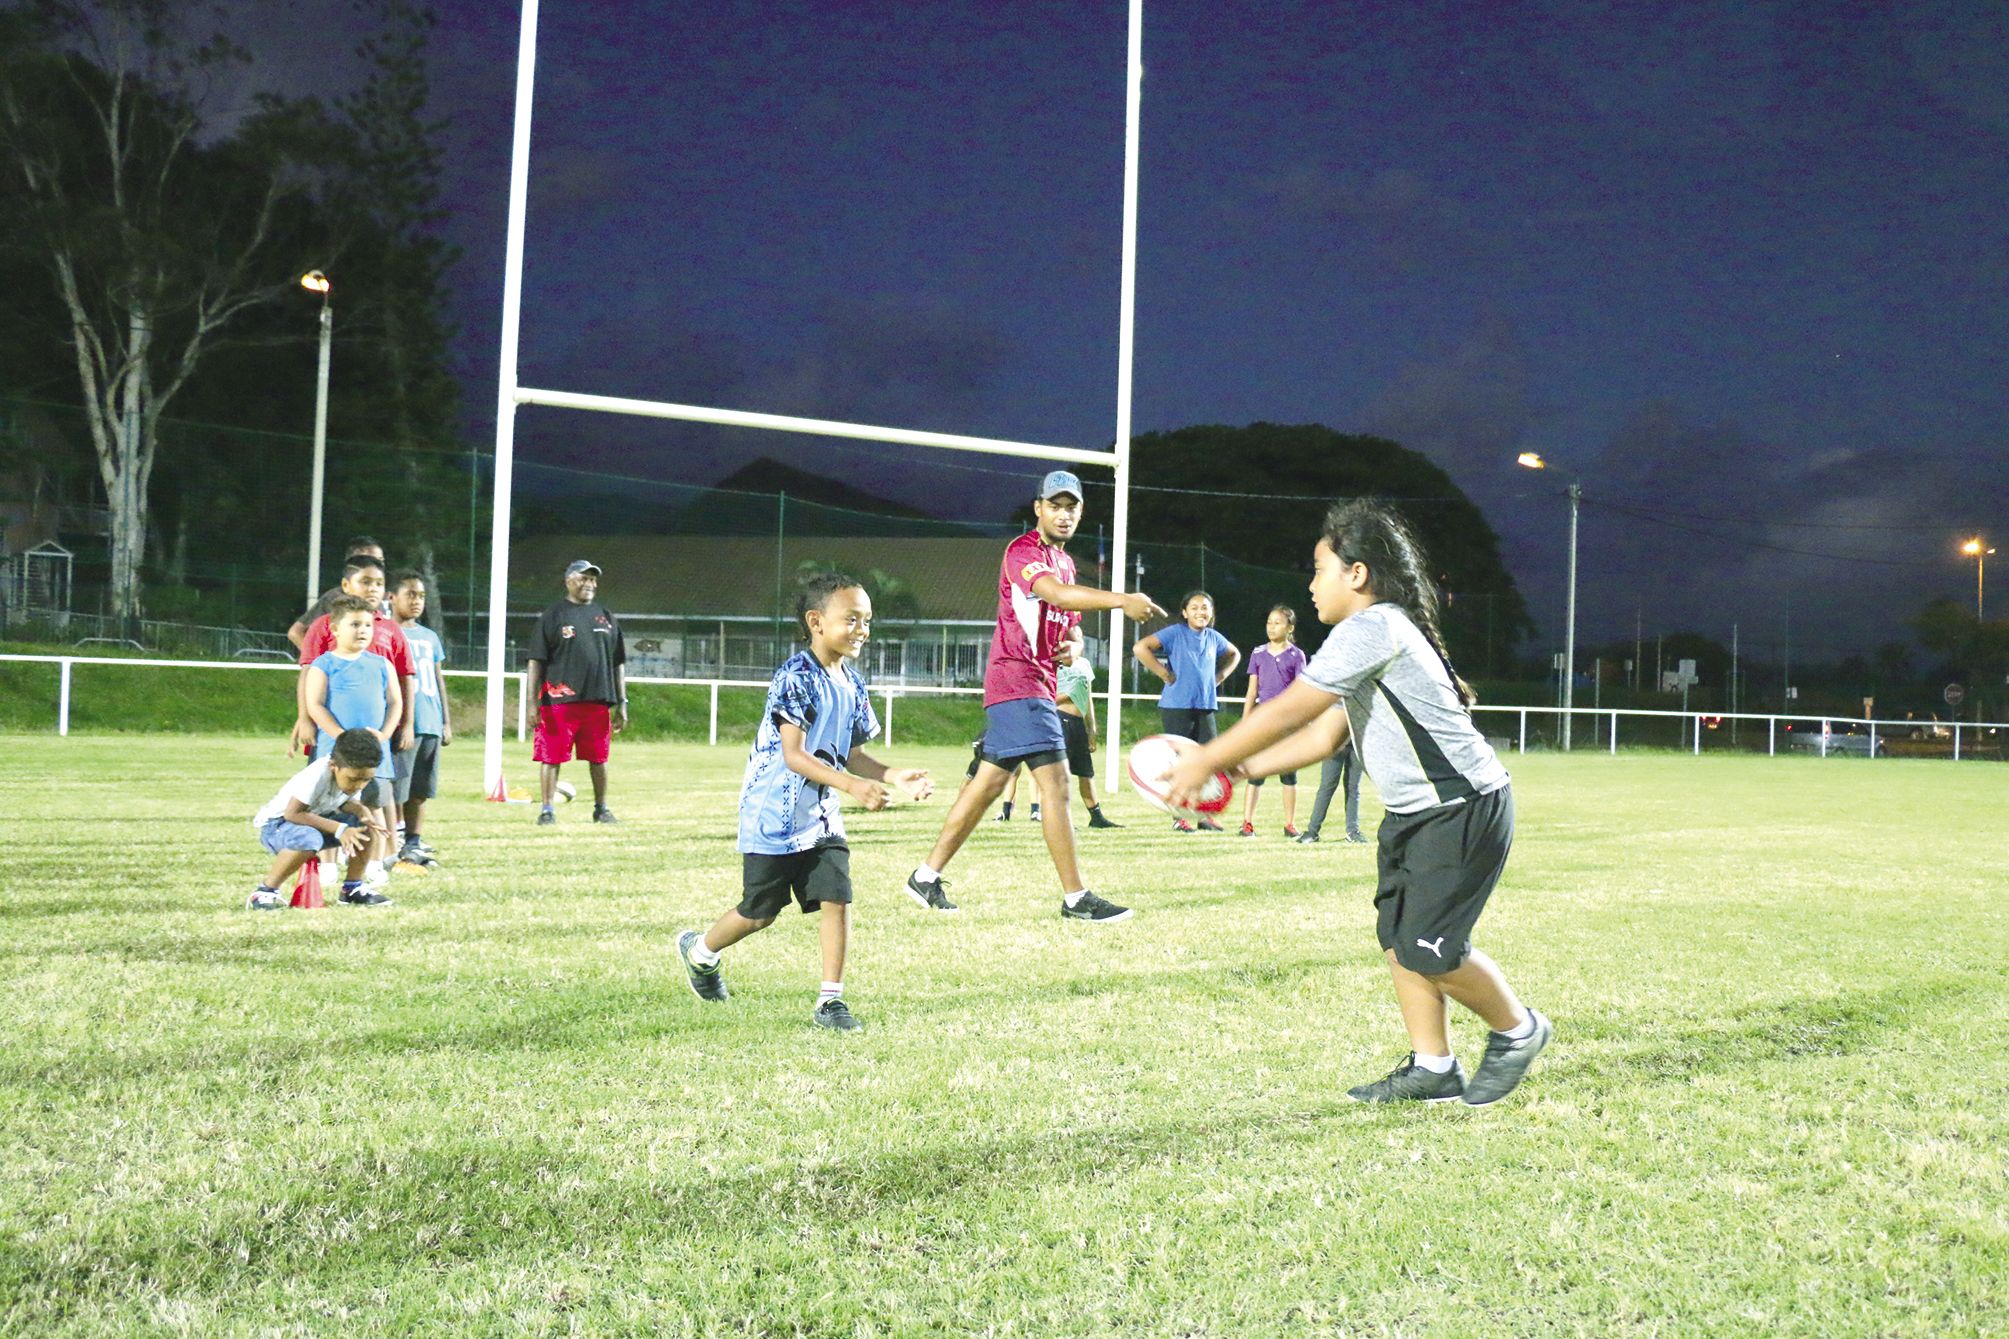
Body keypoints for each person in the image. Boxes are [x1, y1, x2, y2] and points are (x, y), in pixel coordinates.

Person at [1164, 499, 1551, 1107]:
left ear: (1357, 573)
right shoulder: (1369, 634)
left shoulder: (1374, 628)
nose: (1310, 584)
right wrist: (1244, 770)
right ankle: (1433, 1068)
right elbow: (1324, 735)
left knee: (1433, 945)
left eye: (1319, 569)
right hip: (1416, 814)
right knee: (1401, 939)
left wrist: (1208, 758)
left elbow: (1294, 709)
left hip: (1462, 808)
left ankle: (1518, 1029)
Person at [903, 469, 1163, 921]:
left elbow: (1071, 622)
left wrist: (1074, 647)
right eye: (1055, 506)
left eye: (1072, 507)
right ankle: (1076, 899)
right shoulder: (1023, 551)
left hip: (1035, 683)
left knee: (986, 787)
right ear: (1038, 508)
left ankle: (924, 877)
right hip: (1018, 681)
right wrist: (1123, 599)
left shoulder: (1065, 562)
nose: (1064, 515)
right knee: (1057, 785)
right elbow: (1056, 594)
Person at [675, 574, 932, 1031]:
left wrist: (893, 775)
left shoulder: (852, 682)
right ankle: (700, 954)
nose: (862, 630)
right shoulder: (794, 677)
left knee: (837, 897)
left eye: (867, 621)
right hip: (772, 814)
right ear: (816, 621)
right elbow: (793, 755)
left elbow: (853, 752)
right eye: (851, 619)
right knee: (759, 913)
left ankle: (830, 1001)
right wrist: (852, 786)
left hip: (821, 815)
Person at [300, 596, 401, 899]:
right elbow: (315, 705)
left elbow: (395, 703)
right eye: (355, 624)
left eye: (368, 625)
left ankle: (372, 863)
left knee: (373, 806)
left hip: (373, 753)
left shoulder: (382, 664)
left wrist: (384, 734)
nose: (362, 630)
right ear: (334, 629)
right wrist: (340, 736)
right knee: (330, 806)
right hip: (336, 751)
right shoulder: (324, 664)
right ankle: (329, 864)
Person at [526, 559, 627, 825]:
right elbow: (536, 661)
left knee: (599, 758)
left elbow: (618, 663)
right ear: (569, 581)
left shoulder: (605, 616)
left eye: (593, 579)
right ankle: (547, 810)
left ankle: (601, 808)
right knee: (551, 757)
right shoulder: (553, 616)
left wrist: (622, 703)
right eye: (583, 578)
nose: (589, 584)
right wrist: (530, 704)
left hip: (597, 700)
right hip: (558, 701)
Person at [248, 727, 392, 909]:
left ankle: (352, 888)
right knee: (309, 838)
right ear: (334, 766)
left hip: (313, 823)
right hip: (277, 826)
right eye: (354, 779)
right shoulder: (317, 774)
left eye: (366, 779)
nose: (359, 785)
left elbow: (344, 803)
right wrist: (340, 829)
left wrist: (363, 813)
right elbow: (293, 813)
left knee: (366, 829)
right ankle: (265, 891)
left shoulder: (354, 773)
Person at [1133, 589, 1240, 831]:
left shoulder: (1214, 637)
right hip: (1177, 706)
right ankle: (1179, 818)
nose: (1200, 612)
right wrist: (1162, 673)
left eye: (1205, 607)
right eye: (1194, 607)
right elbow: (1141, 648)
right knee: (1179, 763)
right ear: (1184, 612)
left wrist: (1220, 675)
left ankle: (1204, 816)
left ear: (1211, 612)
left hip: (1205, 706)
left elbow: (1235, 654)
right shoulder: (1175, 633)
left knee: (1209, 762)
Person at [389, 571, 450, 867]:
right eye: (410, 594)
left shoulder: (429, 636)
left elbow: (439, 680)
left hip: (430, 721)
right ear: (392, 597)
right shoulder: (386, 632)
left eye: (421, 595)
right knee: (399, 788)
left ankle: (414, 839)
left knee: (422, 789)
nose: (417, 601)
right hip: (404, 723)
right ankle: (397, 839)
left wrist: (446, 722)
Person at [1239, 604, 1307, 837]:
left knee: (1289, 775)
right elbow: (1251, 691)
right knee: (1256, 773)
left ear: (1290, 628)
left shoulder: (1297, 656)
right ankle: (1247, 823)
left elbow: (1300, 691)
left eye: (1277, 622)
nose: (1271, 626)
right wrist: (1245, 721)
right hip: (1262, 721)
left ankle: (1290, 824)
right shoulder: (1258, 653)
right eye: (1269, 622)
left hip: (1286, 722)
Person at [1056, 631, 1118, 828]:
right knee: (1061, 773)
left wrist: (1091, 728)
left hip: (1077, 723)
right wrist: (1068, 694)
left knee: (1086, 772)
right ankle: (1062, 818)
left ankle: (1096, 816)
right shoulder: (1052, 663)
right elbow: (1046, 695)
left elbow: (1087, 696)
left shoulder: (1083, 664)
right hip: (1059, 720)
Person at [286, 535, 386, 650]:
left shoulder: (380, 598)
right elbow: (296, 632)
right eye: (372, 560)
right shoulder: (335, 597)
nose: (378, 565)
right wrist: (317, 661)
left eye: (381, 560)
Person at [1297, 734, 1366, 845]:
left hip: (1357, 742)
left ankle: (1353, 832)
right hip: (1335, 743)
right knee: (1327, 787)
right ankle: (1312, 831)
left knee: (1353, 788)